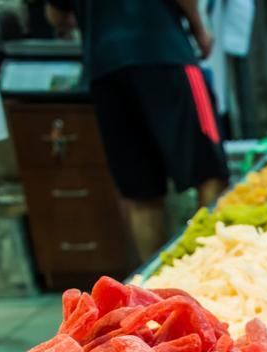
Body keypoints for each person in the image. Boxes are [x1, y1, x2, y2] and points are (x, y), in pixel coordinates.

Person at [45, 0, 228, 264]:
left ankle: (154, 293)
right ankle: (217, 268)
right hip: (163, 52)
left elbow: (56, 15)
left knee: (140, 192)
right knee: (210, 171)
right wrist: (200, 30)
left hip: (105, 68)